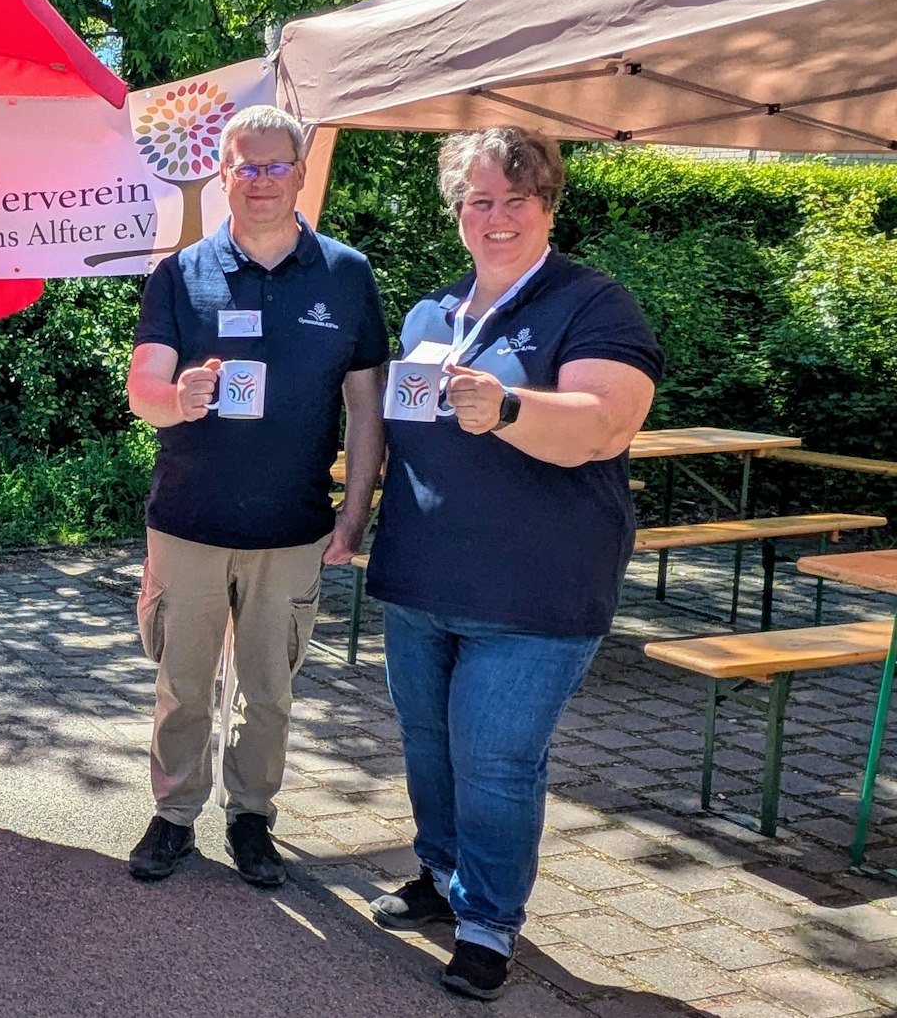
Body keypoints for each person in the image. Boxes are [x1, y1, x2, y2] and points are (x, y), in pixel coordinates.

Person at [364, 127, 661, 1001]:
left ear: (547, 206)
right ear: (457, 212)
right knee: (428, 745)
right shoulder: (431, 312)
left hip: (535, 591)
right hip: (422, 580)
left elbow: (606, 423)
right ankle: (440, 874)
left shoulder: (594, 303)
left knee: (495, 759)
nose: (496, 217)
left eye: (514, 200)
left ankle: (488, 921)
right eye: (478, 201)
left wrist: (508, 405)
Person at [125, 105, 388, 886]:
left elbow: (367, 404)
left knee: (269, 689)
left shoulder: (348, 275)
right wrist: (178, 396)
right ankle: (174, 816)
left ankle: (252, 818)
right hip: (190, 522)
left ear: (302, 174)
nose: (262, 179)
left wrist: (356, 509)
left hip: (293, 526)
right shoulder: (180, 273)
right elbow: (143, 388)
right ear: (222, 175)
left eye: (277, 166)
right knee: (182, 686)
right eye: (246, 165)